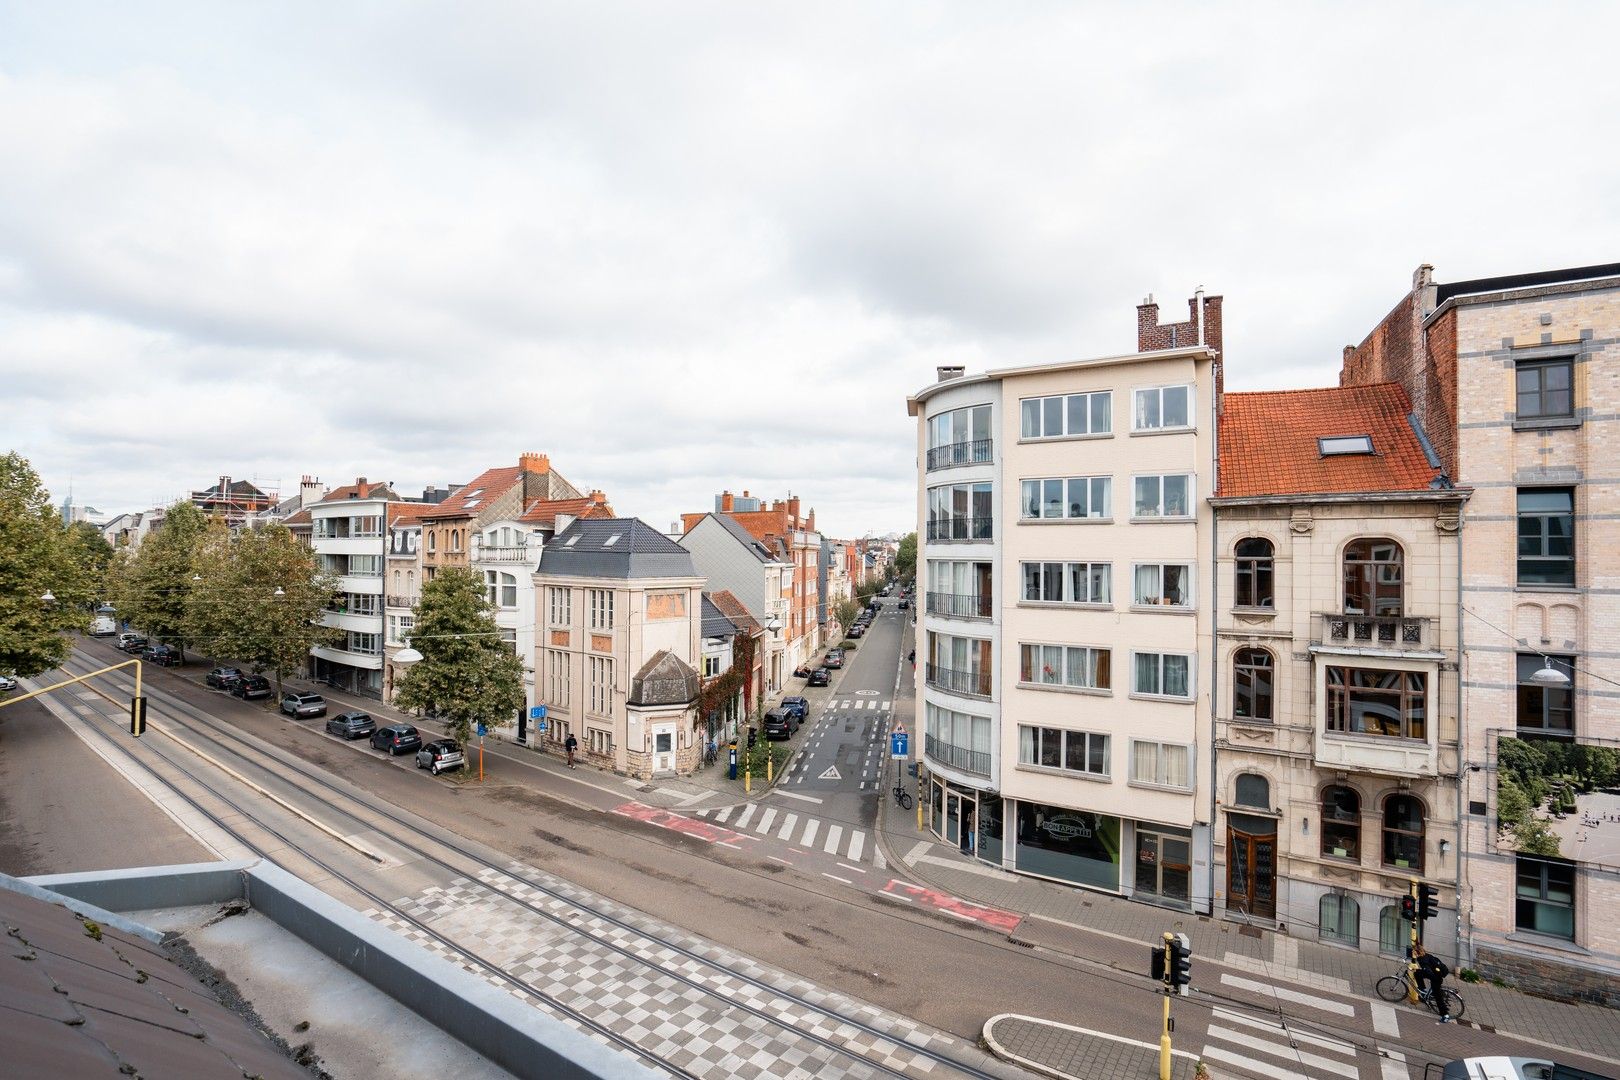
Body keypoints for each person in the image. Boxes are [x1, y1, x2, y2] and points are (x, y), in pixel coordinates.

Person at [1410, 941, 1452, 1022]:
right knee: (1417, 973)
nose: (1412, 953)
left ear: (1417, 952)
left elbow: (1429, 972)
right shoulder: (1426, 955)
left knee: (1438, 997)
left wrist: (1428, 975)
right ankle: (1423, 990)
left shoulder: (1422, 960)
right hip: (1436, 974)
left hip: (1436, 978)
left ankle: (1445, 1015)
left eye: (1413, 952)